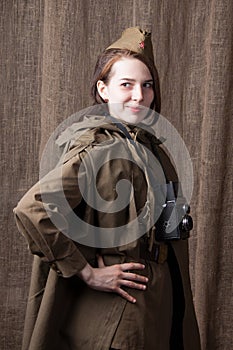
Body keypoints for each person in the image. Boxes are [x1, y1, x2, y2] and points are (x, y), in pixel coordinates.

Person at [14, 27, 201, 350]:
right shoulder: (100, 148)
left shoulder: (149, 147)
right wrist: (85, 272)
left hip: (157, 303)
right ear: (103, 89)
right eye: (126, 85)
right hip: (121, 313)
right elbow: (34, 209)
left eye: (147, 85)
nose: (139, 96)